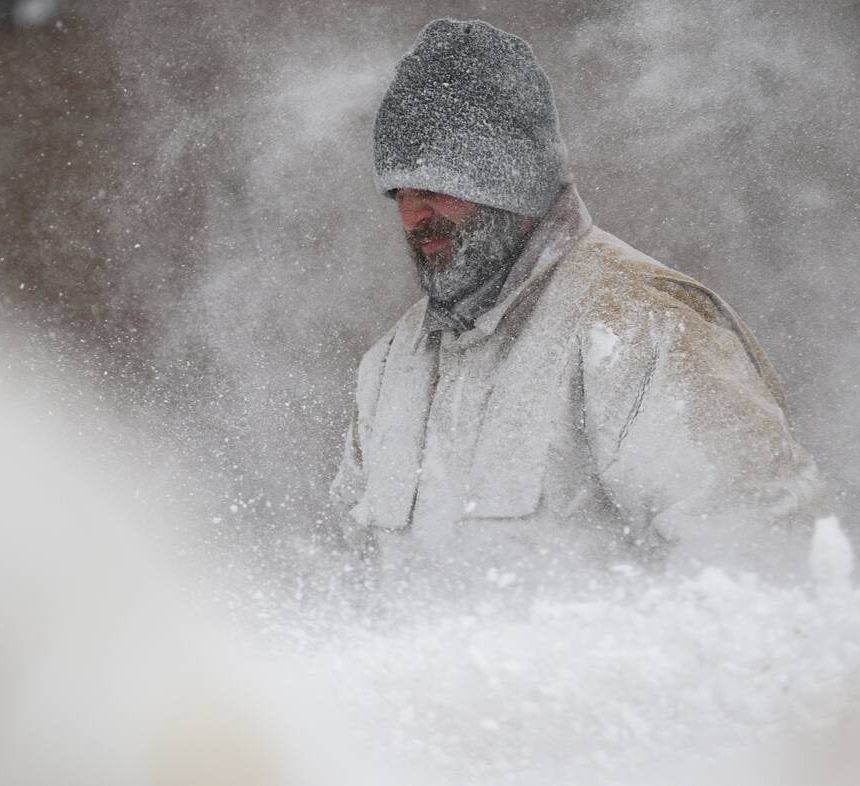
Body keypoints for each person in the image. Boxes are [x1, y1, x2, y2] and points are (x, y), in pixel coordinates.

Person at [330, 19, 826, 585]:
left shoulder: (635, 323)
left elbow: (754, 562)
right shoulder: (393, 364)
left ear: (509, 179)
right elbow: (355, 586)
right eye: (402, 192)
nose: (418, 216)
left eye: (438, 185)